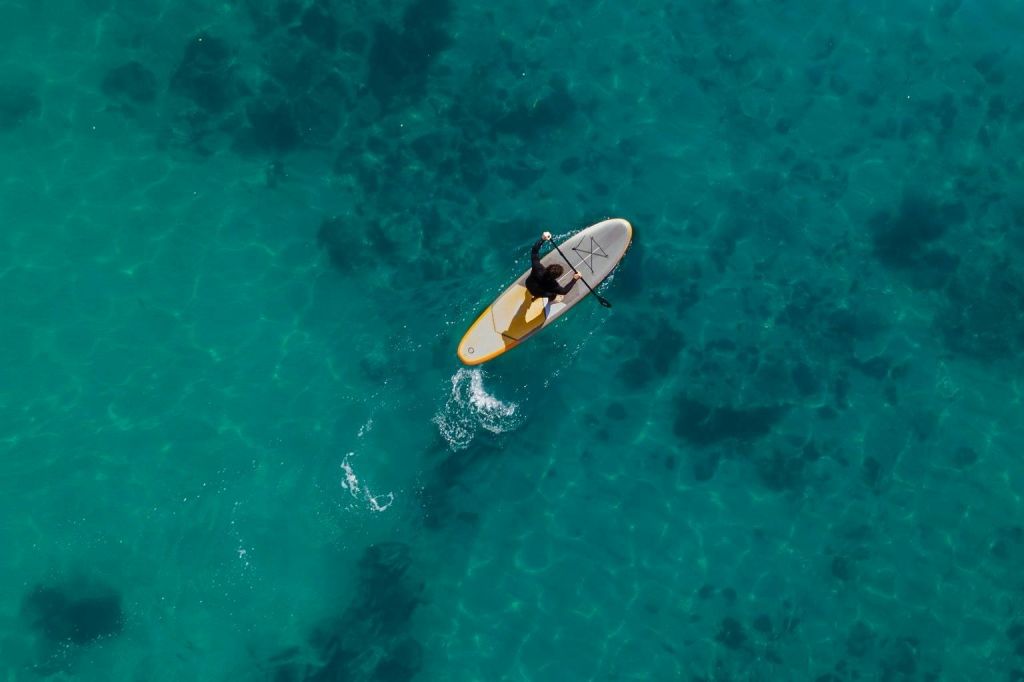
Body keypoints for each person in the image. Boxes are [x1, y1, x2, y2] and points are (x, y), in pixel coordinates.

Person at [525, 231, 582, 301]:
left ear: (549, 267)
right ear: (557, 277)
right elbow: (564, 291)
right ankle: (545, 298)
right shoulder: (553, 285)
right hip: (538, 292)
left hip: (528, 284)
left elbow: (534, 251)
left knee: (537, 288)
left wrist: (542, 239)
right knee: (553, 295)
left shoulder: (537, 268)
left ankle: (535, 296)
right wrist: (574, 279)